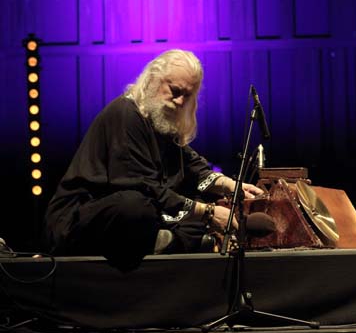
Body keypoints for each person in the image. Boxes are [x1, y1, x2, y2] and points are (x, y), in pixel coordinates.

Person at [45, 49, 263, 271]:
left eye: (187, 96)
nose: (179, 101)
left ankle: (162, 241)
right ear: (152, 81)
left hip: (143, 211)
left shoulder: (162, 122)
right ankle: (166, 241)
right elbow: (143, 186)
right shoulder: (126, 113)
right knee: (136, 207)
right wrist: (207, 213)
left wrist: (232, 187)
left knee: (189, 202)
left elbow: (195, 168)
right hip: (82, 220)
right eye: (175, 91)